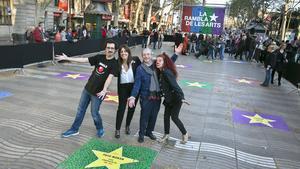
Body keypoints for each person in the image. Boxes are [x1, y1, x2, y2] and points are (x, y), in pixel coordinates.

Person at [55, 39, 118, 138]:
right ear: (105, 48)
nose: (110, 50)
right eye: (108, 48)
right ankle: (74, 129)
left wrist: (104, 90)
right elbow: (84, 60)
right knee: (80, 110)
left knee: (94, 113)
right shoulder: (99, 57)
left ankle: (100, 128)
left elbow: (109, 78)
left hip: (99, 93)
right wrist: (68, 58)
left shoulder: (115, 63)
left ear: (115, 50)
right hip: (87, 89)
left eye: (112, 48)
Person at [155, 53, 190, 144]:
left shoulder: (166, 72)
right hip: (168, 99)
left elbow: (175, 85)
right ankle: (166, 134)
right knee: (166, 117)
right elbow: (170, 61)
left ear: (164, 62)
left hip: (176, 99)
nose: (157, 62)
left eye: (160, 61)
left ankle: (185, 133)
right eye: (157, 61)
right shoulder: (161, 71)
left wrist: (182, 97)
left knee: (174, 117)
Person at [128, 48, 161, 143]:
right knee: (144, 116)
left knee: (153, 116)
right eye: (144, 55)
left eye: (148, 54)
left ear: (151, 55)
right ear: (142, 56)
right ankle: (141, 134)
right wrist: (133, 96)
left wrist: (176, 54)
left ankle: (149, 132)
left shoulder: (156, 65)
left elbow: (167, 64)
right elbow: (137, 84)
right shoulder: (140, 69)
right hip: (145, 97)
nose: (146, 56)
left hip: (157, 96)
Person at [115, 45, 141, 138]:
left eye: (125, 51)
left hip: (133, 88)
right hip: (122, 88)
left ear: (128, 52)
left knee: (131, 108)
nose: (123, 53)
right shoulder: (117, 63)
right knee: (121, 108)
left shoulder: (136, 60)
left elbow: (142, 70)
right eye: (121, 52)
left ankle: (127, 126)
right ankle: (117, 129)